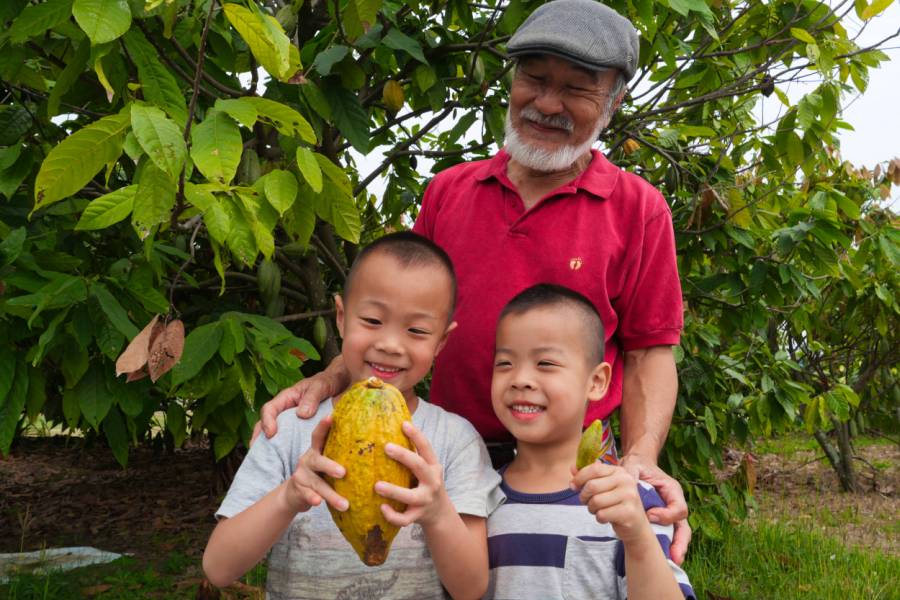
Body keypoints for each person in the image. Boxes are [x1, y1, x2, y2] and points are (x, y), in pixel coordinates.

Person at [257, 0, 691, 563]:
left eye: (577, 89)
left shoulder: (638, 209)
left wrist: (642, 458)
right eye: (534, 79)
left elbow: (649, 352)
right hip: (447, 456)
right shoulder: (449, 191)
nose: (547, 103)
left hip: (568, 466)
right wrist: (335, 375)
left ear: (613, 102)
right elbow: (404, 317)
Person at [203, 232, 503, 599]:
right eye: (373, 321)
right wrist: (289, 496)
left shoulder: (455, 441)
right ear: (342, 317)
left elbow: (471, 589)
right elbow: (218, 569)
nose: (390, 344)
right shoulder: (293, 429)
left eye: (417, 330)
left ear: (441, 341)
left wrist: (438, 511)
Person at [486, 283, 695, 599]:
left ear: (597, 382)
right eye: (505, 364)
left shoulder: (631, 499)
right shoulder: (479, 496)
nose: (520, 379)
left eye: (545, 363)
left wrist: (638, 538)